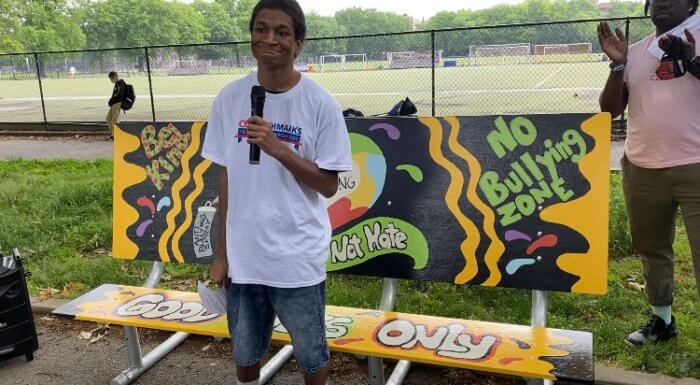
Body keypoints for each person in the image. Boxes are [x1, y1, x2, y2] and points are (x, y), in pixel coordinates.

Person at [201, 1, 352, 384]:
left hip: (296, 258)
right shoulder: (229, 98)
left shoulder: (320, 104)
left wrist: (277, 148)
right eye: (261, 29)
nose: (270, 39)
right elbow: (226, 179)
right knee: (246, 353)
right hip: (244, 257)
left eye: (282, 32)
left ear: (298, 43)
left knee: (311, 357)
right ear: (251, 37)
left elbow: (329, 184)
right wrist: (222, 256)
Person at [598, 0, 699, 347]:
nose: (661, 3)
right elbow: (610, 109)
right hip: (642, 167)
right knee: (652, 248)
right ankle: (662, 321)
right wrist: (618, 66)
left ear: (692, 4)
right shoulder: (638, 52)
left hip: (695, 164)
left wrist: (692, 61)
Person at [106, 71, 126, 140]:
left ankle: (118, 135)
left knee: (115, 120)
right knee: (108, 119)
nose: (111, 81)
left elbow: (120, 94)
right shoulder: (117, 84)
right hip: (114, 103)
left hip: (117, 103)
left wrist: (114, 99)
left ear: (114, 77)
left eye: (111, 79)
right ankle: (113, 134)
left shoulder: (121, 83)